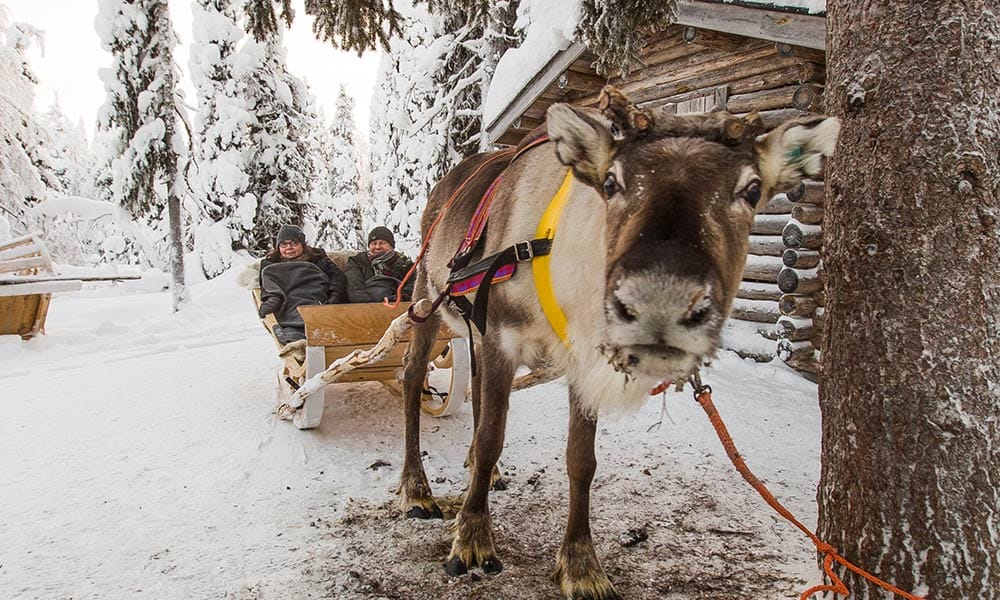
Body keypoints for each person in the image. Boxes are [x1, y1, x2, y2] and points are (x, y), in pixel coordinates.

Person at [258, 224, 347, 344]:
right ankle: (297, 338)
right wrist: (272, 298)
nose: (289, 247)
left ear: (302, 245)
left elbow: (338, 278)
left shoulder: (319, 259)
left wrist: (334, 296)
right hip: (288, 302)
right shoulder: (270, 265)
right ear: (278, 247)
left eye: (294, 243)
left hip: (316, 299)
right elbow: (268, 284)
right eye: (284, 244)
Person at [345, 226, 415, 303]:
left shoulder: (404, 264)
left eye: (382, 243)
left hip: (396, 305)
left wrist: (400, 298)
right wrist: (370, 306)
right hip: (364, 307)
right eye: (373, 243)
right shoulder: (357, 261)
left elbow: (413, 285)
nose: (377, 247)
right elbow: (354, 287)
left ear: (392, 246)